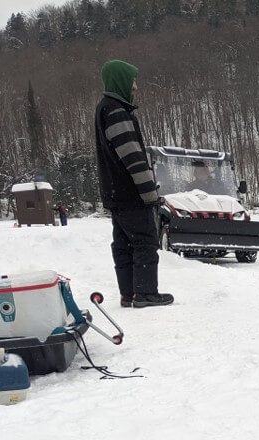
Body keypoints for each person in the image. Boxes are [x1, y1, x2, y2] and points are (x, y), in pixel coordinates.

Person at [94, 59, 174, 308]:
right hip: (131, 193)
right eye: (132, 81)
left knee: (123, 243)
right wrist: (151, 194)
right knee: (144, 240)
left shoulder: (104, 109)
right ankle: (146, 293)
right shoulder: (116, 110)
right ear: (121, 82)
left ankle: (129, 293)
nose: (136, 87)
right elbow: (133, 158)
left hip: (116, 193)